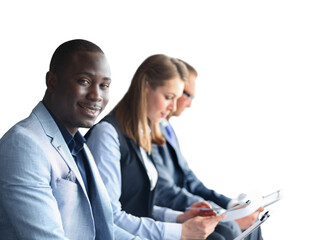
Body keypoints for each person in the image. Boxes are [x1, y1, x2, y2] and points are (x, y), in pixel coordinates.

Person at [0, 39, 140, 239]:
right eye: (84, 81)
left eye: (104, 85)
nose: (96, 95)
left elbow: (100, 227)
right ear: (52, 81)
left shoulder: (78, 145)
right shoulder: (24, 144)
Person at [86, 54, 228, 240]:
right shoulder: (107, 135)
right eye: (169, 97)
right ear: (145, 86)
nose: (173, 107)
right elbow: (109, 217)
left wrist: (178, 217)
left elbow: (137, 204)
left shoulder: (140, 135)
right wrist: (178, 232)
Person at [151, 60, 264, 240]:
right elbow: (164, 191)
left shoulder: (166, 128)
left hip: (188, 206)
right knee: (229, 231)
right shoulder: (148, 131)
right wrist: (217, 212)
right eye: (186, 95)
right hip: (174, 211)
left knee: (252, 224)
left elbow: (191, 180)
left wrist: (230, 204)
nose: (188, 104)